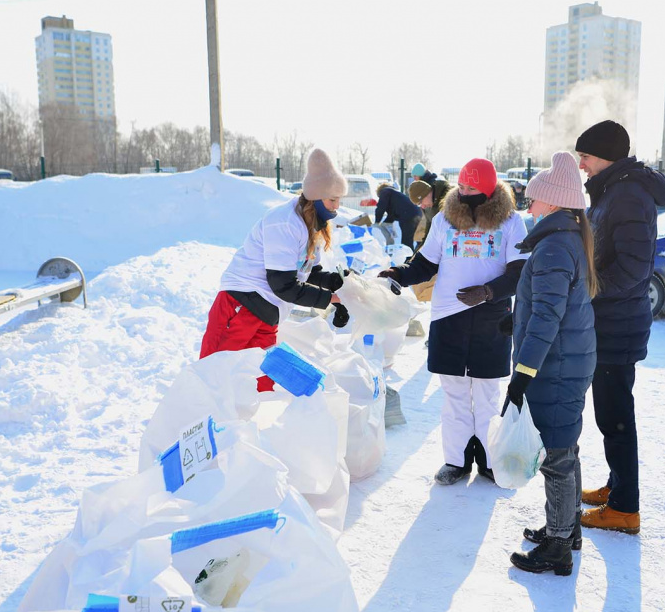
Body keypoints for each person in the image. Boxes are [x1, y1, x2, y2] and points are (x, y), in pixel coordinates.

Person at [379, 158, 527, 485]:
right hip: (448, 317)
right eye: (460, 186)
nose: (463, 192)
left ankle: (489, 461)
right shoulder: (445, 220)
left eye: (471, 187)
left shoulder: (511, 222)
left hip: (492, 318)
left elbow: (520, 274)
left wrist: (488, 292)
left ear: (488, 189)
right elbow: (425, 263)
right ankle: (456, 461)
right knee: (455, 396)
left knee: (487, 396)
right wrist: (399, 275)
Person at [501, 151, 598, 576]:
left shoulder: (556, 245)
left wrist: (522, 374)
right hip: (566, 361)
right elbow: (548, 306)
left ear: (553, 202)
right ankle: (568, 527)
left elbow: (547, 316)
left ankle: (558, 546)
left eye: (533, 196)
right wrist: (517, 316)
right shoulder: (567, 238)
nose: (527, 201)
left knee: (556, 457)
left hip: (554, 367)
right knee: (567, 449)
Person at [575, 120, 665, 535]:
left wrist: (589, 290)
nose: (582, 165)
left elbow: (633, 269)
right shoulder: (613, 189)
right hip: (610, 320)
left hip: (618, 323)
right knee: (610, 412)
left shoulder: (628, 196)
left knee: (615, 416)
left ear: (607, 157)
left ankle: (625, 509)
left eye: (587, 156)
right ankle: (617, 489)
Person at [199, 148, 349, 389]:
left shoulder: (311, 225)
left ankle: (250, 426)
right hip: (240, 305)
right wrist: (329, 299)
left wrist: (341, 284)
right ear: (316, 195)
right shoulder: (285, 222)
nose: (336, 207)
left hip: (268, 315)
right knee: (216, 376)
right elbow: (283, 285)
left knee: (260, 384)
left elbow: (310, 271)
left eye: (339, 200)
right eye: (333, 200)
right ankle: (205, 423)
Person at [375, 182, 423, 250]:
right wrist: (384, 223)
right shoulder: (395, 195)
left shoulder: (385, 191)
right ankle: (419, 257)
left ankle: (408, 259)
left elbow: (380, 207)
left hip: (408, 215)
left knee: (407, 241)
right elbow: (391, 215)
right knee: (418, 240)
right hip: (417, 213)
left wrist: (376, 222)